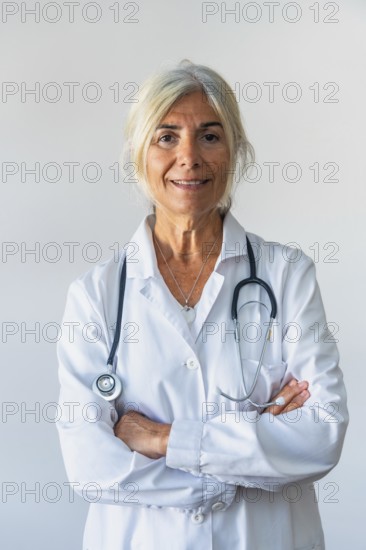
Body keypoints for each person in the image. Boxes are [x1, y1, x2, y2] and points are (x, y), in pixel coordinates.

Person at [56, 60, 348, 550]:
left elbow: (320, 437)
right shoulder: (96, 295)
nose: (188, 157)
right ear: (139, 153)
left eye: (210, 136)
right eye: (166, 137)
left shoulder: (286, 275)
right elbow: (91, 466)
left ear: (235, 151)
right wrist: (243, 462)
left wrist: (164, 441)